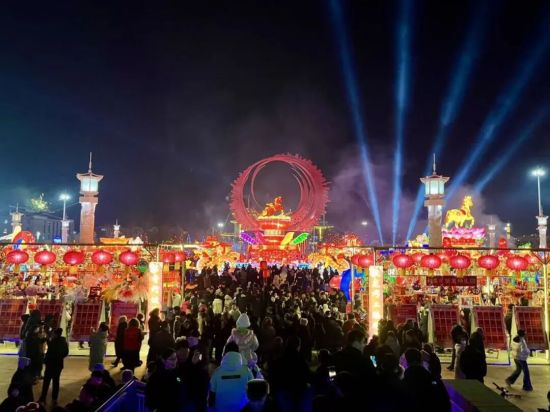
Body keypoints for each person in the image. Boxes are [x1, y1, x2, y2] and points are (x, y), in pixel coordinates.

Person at [38, 328, 69, 405]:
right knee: (56, 382)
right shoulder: (63, 342)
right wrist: (60, 357)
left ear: (55, 334)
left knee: (46, 382)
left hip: (50, 365)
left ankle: (43, 398)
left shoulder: (53, 342)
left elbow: (50, 350)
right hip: (58, 365)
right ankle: (54, 399)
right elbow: (66, 352)